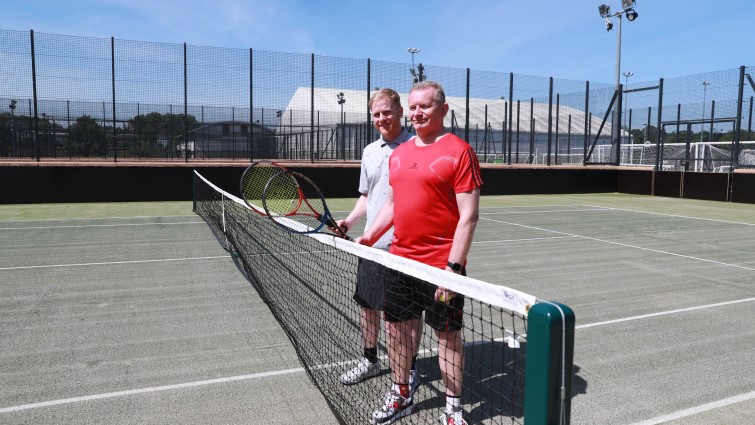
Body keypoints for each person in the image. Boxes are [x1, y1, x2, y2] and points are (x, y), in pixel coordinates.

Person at [356, 81, 482, 425]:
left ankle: (453, 411)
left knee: (448, 338)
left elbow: (469, 215)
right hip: (399, 263)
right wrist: (370, 236)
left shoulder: (459, 151)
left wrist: (453, 269)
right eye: (413, 107)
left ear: (443, 109)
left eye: (425, 106)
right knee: (398, 333)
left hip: (442, 269)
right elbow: (393, 206)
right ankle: (402, 394)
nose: (417, 113)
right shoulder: (399, 154)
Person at [335, 89, 421, 391]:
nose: (382, 118)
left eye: (387, 112)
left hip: (404, 250)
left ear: (400, 112)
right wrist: (349, 221)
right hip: (371, 247)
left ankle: (409, 368)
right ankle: (370, 360)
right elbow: (367, 196)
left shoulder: (416, 146)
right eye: (376, 114)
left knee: (405, 317)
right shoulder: (370, 151)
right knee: (368, 307)